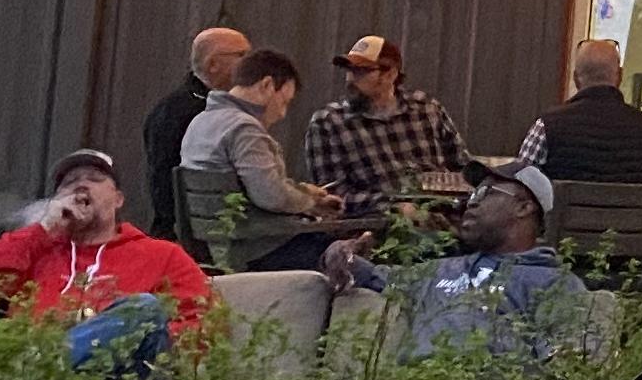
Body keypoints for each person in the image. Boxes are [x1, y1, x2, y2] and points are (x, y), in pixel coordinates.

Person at [0, 147, 213, 331]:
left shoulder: (162, 256)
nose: (81, 185)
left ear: (118, 199)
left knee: (142, 310)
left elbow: (199, 321)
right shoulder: (34, 250)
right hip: (33, 377)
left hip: (118, 379)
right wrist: (42, 231)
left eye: (95, 179)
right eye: (69, 182)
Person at [178, 47, 360, 275]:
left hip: (219, 246)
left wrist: (308, 195)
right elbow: (271, 196)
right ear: (266, 85)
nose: (283, 113)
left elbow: (252, 186)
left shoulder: (200, 123)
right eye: (284, 101)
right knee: (350, 261)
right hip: (260, 249)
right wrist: (308, 203)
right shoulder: (244, 129)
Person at [384, 164, 593, 360]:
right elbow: (375, 276)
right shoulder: (441, 269)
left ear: (523, 207)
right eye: (472, 194)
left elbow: (563, 360)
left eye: (485, 193)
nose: (471, 202)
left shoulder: (552, 283)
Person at [304, 33, 469, 217]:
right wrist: (392, 206)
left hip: (444, 216)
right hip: (377, 224)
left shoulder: (427, 109)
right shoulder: (329, 123)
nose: (350, 78)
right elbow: (332, 197)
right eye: (348, 70)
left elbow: (463, 167)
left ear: (390, 74)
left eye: (361, 71)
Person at [140, 25, 249, 241]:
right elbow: (166, 184)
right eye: (242, 56)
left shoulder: (178, 105)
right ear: (213, 64)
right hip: (196, 236)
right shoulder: (195, 114)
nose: (252, 65)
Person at [521, 40, 642, 185]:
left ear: (575, 78)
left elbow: (521, 183)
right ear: (620, 76)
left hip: (569, 207)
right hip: (633, 207)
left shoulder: (547, 126)